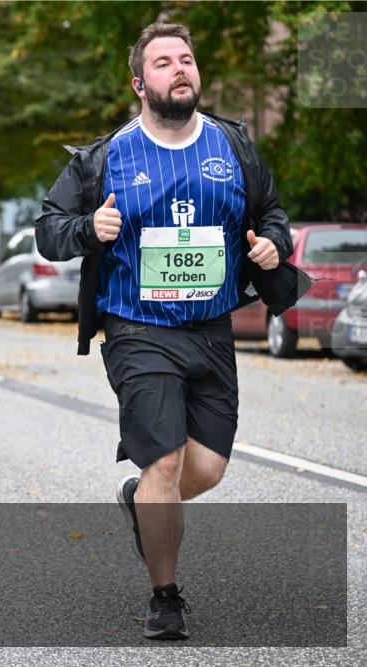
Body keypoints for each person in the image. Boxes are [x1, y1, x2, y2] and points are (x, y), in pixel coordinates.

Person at [35, 22, 308, 640]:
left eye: (186, 59)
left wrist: (273, 245)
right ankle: (165, 596)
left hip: (212, 329)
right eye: (163, 62)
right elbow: (49, 230)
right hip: (137, 329)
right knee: (164, 459)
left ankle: (142, 500)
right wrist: (88, 231)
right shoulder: (105, 157)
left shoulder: (233, 145)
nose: (179, 69)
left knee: (204, 470)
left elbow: (271, 212)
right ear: (139, 83)